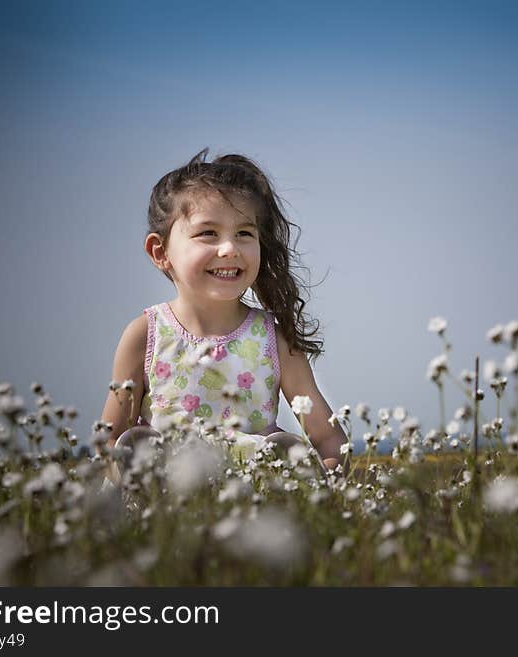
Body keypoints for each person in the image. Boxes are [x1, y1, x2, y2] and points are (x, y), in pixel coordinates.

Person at [100, 148, 348, 485]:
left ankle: (276, 473)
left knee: (278, 452)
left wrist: (327, 483)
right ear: (161, 252)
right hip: (166, 502)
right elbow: (111, 439)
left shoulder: (273, 339)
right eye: (208, 234)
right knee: (143, 448)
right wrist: (124, 472)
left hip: (252, 505)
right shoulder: (146, 334)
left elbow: (327, 436)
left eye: (244, 234)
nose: (229, 248)